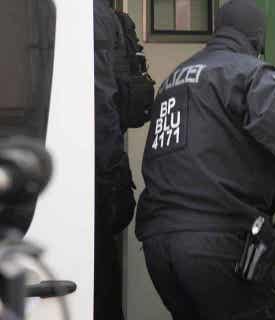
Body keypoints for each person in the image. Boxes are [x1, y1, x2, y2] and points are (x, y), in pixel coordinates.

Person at [135, 1, 275, 319]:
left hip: (158, 244)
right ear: (257, 37)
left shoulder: (174, 79)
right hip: (214, 241)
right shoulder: (244, 71)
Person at [93, 1, 137, 319]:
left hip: (95, 170)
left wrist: (109, 176)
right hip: (104, 163)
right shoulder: (103, 14)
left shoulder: (89, 15)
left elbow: (100, 100)